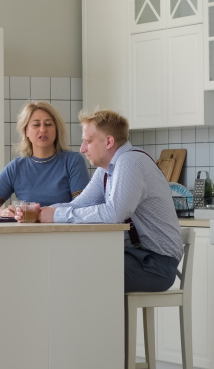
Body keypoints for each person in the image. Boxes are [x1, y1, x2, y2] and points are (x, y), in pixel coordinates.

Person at [24, 109, 183, 293]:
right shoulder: (108, 169)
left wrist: (56, 215)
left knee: (80, 272)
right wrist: (41, 212)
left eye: (88, 141)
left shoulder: (129, 162)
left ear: (108, 141)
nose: (82, 148)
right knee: (72, 264)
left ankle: (96, 323)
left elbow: (114, 213)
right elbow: (80, 204)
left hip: (156, 265)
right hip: (134, 257)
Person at [0, 101, 90, 217]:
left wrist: (46, 213)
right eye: (36, 125)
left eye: (48, 124)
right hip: (25, 234)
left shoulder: (73, 161)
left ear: (56, 130)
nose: (43, 130)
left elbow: (83, 207)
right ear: (26, 131)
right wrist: (4, 212)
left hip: (64, 234)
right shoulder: (16, 167)